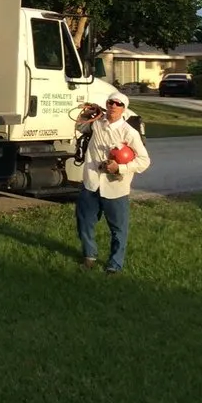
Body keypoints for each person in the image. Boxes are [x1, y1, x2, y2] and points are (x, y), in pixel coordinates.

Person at [75, 90, 151, 274]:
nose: (114, 106)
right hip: (92, 183)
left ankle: (114, 264)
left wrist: (120, 168)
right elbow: (80, 126)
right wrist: (86, 113)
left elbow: (144, 161)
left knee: (118, 229)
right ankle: (89, 256)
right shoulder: (96, 124)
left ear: (124, 108)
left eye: (118, 104)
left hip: (115, 188)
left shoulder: (129, 132)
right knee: (84, 222)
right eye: (111, 103)